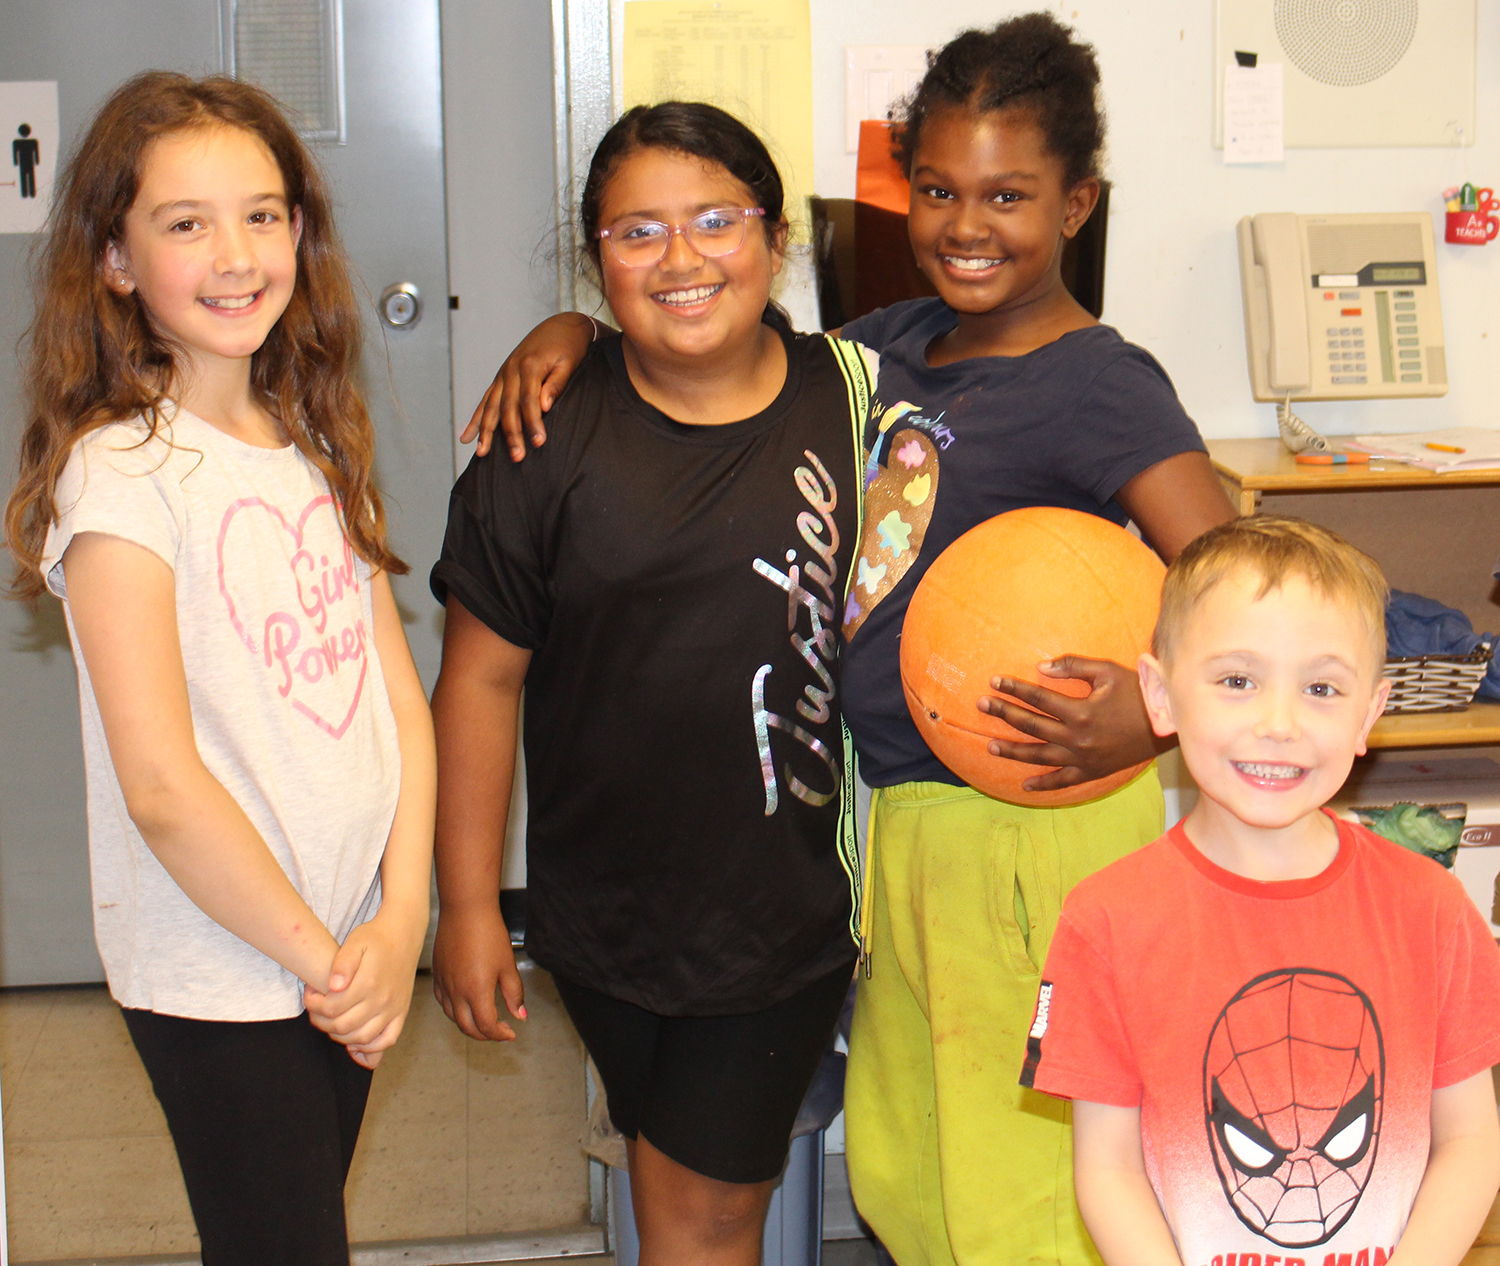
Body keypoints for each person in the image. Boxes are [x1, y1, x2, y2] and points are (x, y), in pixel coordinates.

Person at [460, 14, 1238, 1264]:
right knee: (914, 1164)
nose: (966, 224)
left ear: (1078, 205)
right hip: (897, 830)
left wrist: (1160, 711)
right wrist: (576, 340)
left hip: (1034, 829)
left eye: (1007, 195)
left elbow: (1242, 581)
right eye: (936, 190)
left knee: (1036, 1177)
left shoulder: (1102, 380)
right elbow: (706, 347)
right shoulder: (881, 353)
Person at [428, 102, 873, 1266]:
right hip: (608, 911)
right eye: (637, 234)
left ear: (777, 241)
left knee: (711, 1205)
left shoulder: (862, 402)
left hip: (789, 904)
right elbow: (477, 681)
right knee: (668, 1173)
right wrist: (470, 906)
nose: (682, 259)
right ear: (596, 263)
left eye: (717, 221)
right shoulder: (542, 439)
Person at [3, 72, 435, 1265]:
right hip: (225, 969)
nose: (235, 252)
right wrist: (328, 961)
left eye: (261, 213)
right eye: (185, 223)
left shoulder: (307, 440)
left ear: (300, 230)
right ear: (116, 260)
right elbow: (160, 783)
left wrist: (402, 921)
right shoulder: (121, 477)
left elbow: (397, 702)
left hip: (343, 948)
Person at [1022, 514, 1500, 1266]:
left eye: (1321, 687)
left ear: (1368, 715)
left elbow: (1472, 1140)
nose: (1279, 724)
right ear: (1161, 696)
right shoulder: (1105, 921)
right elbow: (1107, 1169)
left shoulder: (1432, 910)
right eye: (1237, 680)